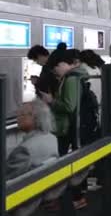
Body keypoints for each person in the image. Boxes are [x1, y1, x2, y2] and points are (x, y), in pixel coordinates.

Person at [40, 49, 88, 209]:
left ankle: (72, 198)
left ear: (65, 64)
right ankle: (68, 197)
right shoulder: (74, 77)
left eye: (57, 66)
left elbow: (69, 106)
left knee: (63, 164)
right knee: (64, 163)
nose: (55, 70)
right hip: (69, 127)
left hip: (67, 128)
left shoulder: (71, 80)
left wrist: (51, 101)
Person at [7, 101, 58, 179]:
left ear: (34, 118)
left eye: (22, 114)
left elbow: (7, 179)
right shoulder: (52, 138)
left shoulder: (24, 150)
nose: (17, 117)